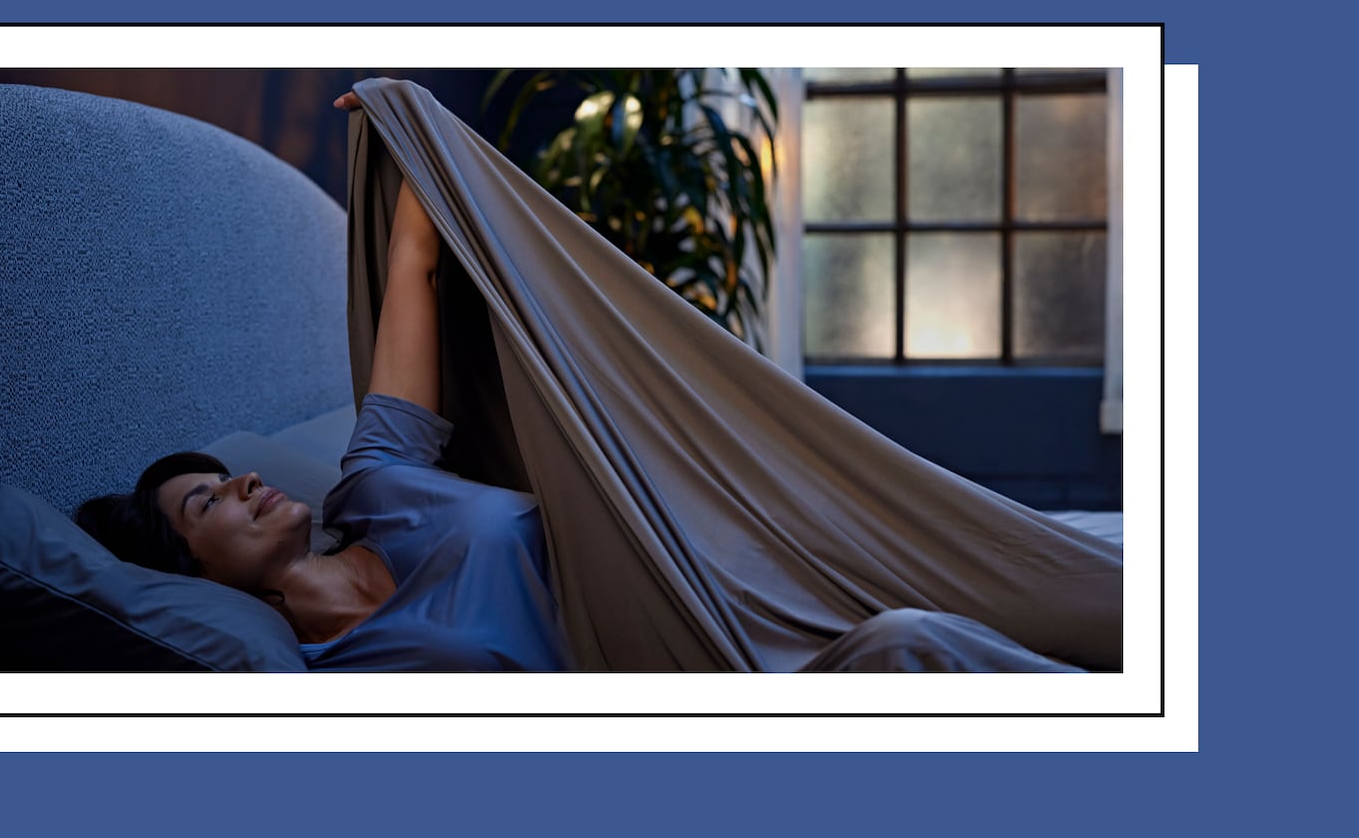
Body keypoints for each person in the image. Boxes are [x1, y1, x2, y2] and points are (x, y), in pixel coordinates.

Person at [76, 89, 1085, 673]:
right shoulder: (343, 677)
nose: (247, 482)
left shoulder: (375, 485)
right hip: (683, 690)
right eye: (208, 498)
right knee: (912, 648)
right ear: (194, 573)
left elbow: (416, 268)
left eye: (228, 473)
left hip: (713, 597)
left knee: (949, 622)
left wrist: (405, 130)